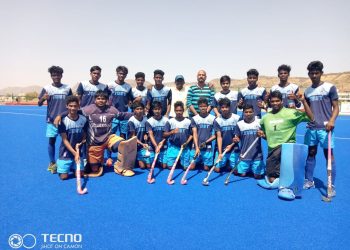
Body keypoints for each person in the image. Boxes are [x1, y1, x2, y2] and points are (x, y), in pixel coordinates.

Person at [56, 90, 136, 177]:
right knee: (94, 169)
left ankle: (121, 167)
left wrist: (136, 114)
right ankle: (97, 162)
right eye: (98, 98)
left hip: (108, 138)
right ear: (95, 100)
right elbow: (74, 110)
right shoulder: (88, 109)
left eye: (103, 99)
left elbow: (122, 115)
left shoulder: (111, 109)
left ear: (107, 100)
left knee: (123, 144)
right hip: (94, 143)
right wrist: (60, 115)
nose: (101, 100)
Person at [257, 90, 313, 185]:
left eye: (277, 101)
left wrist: (303, 101)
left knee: (287, 178)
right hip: (272, 151)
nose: (275, 103)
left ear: (282, 101)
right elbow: (267, 136)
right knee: (272, 179)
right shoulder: (265, 118)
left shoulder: (291, 113)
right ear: (270, 102)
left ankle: (288, 177)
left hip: (288, 149)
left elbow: (311, 118)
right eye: (273, 101)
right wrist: (262, 135)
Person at [303, 61, 339, 197]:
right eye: (311, 73)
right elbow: (309, 111)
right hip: (312, 128)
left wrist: (331, 121)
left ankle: (331, 185)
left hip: (326, 129)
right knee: (311, 153)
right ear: (309, 74)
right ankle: (309, 180)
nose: (314, 75)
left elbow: (336, 107)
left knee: (328, 155)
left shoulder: (330, 87)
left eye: (316, 73)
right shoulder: (307, 91)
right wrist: (302, 103)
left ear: (321, 73)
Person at [38, 66, 72, 173]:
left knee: (67, 141)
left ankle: (66, 159)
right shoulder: (47, 88)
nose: (56, 77)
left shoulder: (67, 88)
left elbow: (71, 103)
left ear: (61, 75)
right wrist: (43, 98)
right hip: (51, 121)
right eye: (53, 75)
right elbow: (39, 104)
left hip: (65, 120)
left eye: (58, 75)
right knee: (52, 141)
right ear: (51, 76)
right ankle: (52, 162)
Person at [57, 96, 87, 180]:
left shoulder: (83, 119)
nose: (73, 108)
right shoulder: (62, 121)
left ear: (78, 106)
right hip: (66, 150)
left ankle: (72, 166)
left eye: (75, 106)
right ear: (66, 106)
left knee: (79, 174)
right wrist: (75, 153)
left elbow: (85, 134)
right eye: (70, 106)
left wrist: (81, 143)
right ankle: (61, 164)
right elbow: (64, 140)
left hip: (79, 150)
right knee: (64, 177)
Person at [234, 104, 264, 179]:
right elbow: (237, 137)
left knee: (258, 176)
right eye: (246, 112)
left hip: (257, 155)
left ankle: (252, 167)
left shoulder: (259, 122)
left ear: (253, 112)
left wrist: (262, 134)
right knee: (242, 175)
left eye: (250, 112)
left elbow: (266, 136)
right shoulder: (239, 124)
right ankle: (244, 166)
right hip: (244, 155)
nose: (248, 114)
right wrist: (236, 139)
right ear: (243, 113)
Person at [213, 98, 240, 173]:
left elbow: (238, 135)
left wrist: (231, 145)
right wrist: (220, 153)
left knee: (237, 171)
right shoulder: (217, 120)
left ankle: (229, 162)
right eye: (222, 107)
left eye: (226, 107)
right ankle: (226, 161)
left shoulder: (237, 118)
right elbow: (219, 137)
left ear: (230, 107)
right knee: (217, 169)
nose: (224, 109)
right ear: (220, 108)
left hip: (234, 147)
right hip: (223, 148)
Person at [163, 101, 193, 169]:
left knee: (186, 167)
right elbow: (164, 134)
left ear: (183, 110)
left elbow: (192, 134)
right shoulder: (170, 121)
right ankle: (177, 159)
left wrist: (187, 143)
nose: (178, 112)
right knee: (170, 167)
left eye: (180, 110)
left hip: (184, 147)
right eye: (177, 110)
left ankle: (181, 160)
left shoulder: (188, 121)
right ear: (174, 111)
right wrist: (172, 132)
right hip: (173, 147)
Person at [189, 98, 216, 171]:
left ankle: (202, 160)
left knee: (206, 168)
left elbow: (216, 135)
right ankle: (199, 159)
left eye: (204, 106)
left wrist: (206, 142)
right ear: (198, 107)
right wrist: (197, 147)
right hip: (196, 146)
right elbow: (194, 133)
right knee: (191, 168)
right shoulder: (194, 118)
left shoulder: (213, 118)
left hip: (207, 146)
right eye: (201, 106)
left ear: (207, 106)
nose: (203, 108)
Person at [108, 65, 133, 139]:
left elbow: (130, 100)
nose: (122, 75)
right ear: (117, 73)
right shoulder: (110, 85)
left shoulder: (128, 87)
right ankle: (109, 150)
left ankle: (122, 150)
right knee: (111, 134)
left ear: (126, 75)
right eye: (120, 73)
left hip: (124, 114)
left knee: (123, 135)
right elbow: (105, 98)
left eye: (124, 74)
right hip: (112, 114)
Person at [145, 101, 169, 169]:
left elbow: (166, 134)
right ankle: (156, 157)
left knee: (164, 166)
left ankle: (159, 158)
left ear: (161, 109)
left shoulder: (166, 120)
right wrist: (156, 146)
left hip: (163, 145)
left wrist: (161, 143)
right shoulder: (149, 121)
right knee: (149, 166)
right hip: (152, 146)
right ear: (152, 110)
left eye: (159, 109)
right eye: (155, 109)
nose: (157, 111)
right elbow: (150, 135)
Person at [128, 102, 149, 169]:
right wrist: (142, 144)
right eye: (137, 109)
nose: (139, 111)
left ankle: (139, 157)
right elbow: (133, 137)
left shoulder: (145, 119)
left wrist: (146, 134)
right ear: (134, 110)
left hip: (142, 145)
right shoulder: (131, 121)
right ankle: (135, 158)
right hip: (133, 145)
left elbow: (147, 131)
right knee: (142, 167)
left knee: (148, 166)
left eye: (141, 109)